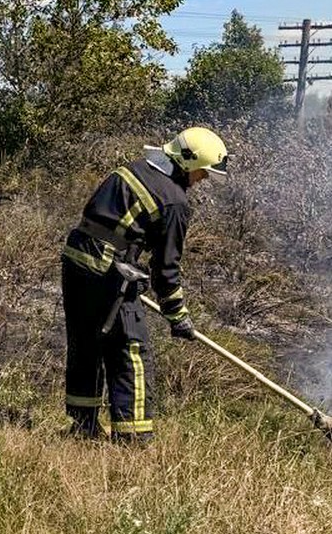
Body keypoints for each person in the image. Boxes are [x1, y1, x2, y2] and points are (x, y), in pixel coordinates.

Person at [60, 127, 229, 442]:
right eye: (202, 174)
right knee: (130, 350)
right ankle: (132, 438)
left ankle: (83, 426)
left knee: (86, 344)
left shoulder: (132, 168)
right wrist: (178, 316)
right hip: (108, 272)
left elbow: (106, 222)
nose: (202, 181)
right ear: (188, 164)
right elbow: (166, 268)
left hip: (76, 259)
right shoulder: (175, 201)